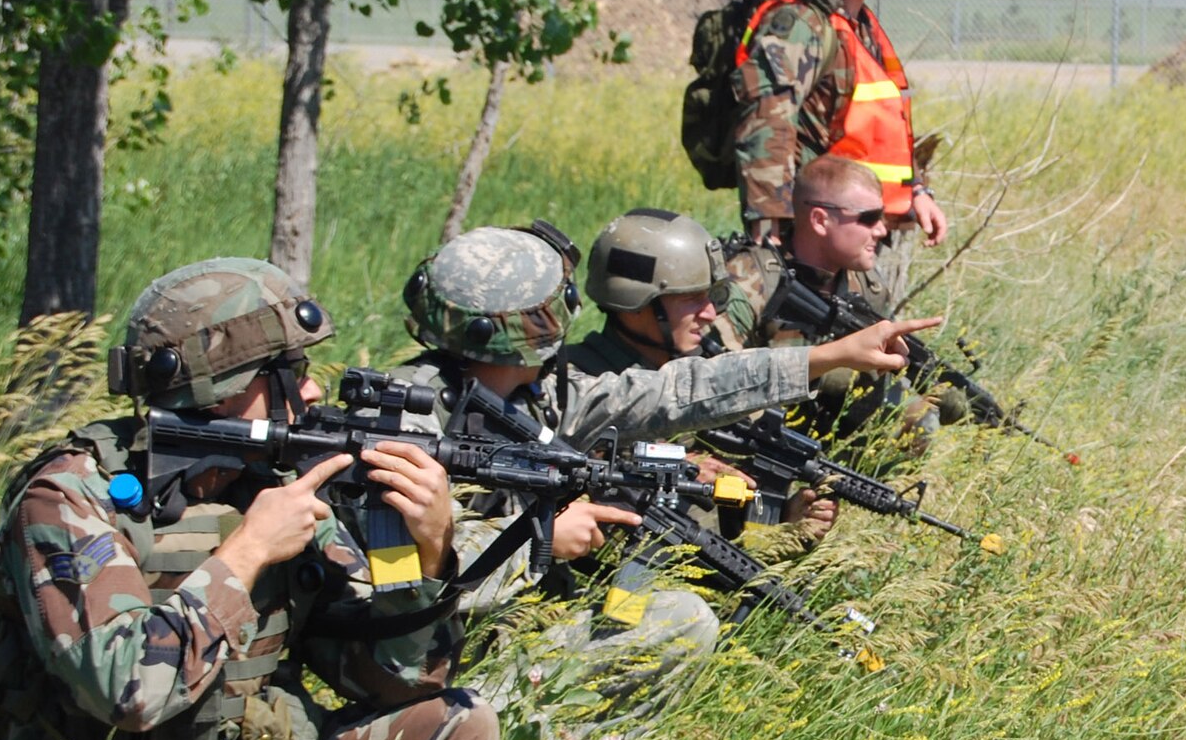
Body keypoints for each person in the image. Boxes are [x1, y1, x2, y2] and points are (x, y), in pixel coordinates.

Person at [0, 259, 493, 740]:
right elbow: (127, 690)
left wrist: (425, 552)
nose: (311, 390)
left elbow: (398, 681)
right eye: (289, 371)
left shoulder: (274, 481)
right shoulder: (70, 497)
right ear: (220, 385)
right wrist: (247, 553)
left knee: (457, 726)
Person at [391, 224, 934, 711]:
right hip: (420, 664)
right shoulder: (404, 421)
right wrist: (541, 536)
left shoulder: (543, 394)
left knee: (677, 617)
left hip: (510, 622)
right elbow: (389, 580)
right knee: (683, 622)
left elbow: (680, 391)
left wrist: (825, 357)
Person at [572, 207, 837, 549]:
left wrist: (780, 520)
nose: (710, 313)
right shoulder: (578, 382)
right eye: (691, 299)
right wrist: (674, 463)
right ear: (636, 304)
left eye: (713, 296)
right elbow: (581, 470)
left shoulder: (703, 374)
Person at [730, 0, 948, 301]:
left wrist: (917, 191)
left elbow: (882, 127)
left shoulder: (861, 27)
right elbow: (766, 117)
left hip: (865, 228)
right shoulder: (800, 23)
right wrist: (768, 222)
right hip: (815, 233)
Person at [716, 154, 957, 442]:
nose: (881, 230)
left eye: (881, 217)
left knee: (920, 419)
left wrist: (935, 386)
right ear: (820, 220)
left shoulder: (866, 284)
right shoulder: (750, 281)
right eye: (868, 218)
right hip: (751, 430)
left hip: (826, 431)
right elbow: (715, 384)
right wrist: (830, 370)